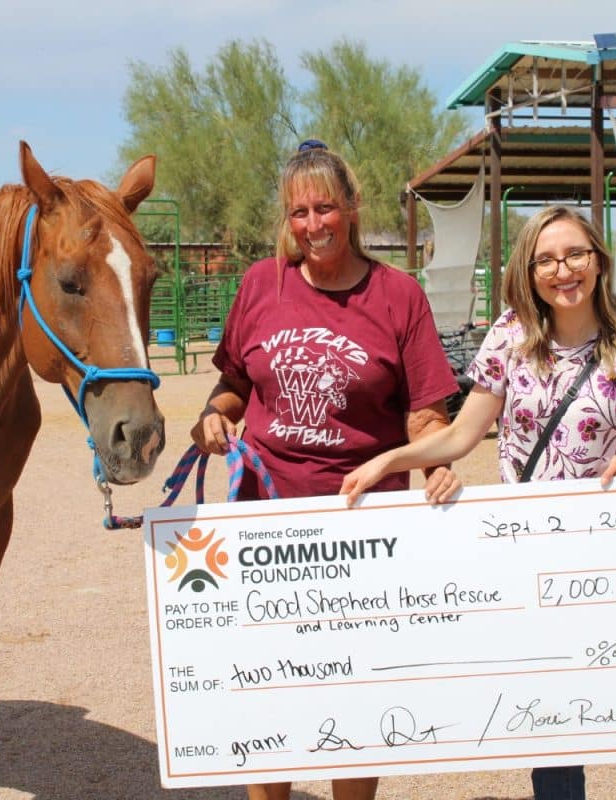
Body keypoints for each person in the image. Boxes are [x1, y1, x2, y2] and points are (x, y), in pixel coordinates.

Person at [340, 205, 616, 800]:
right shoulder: (509, 339)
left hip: (610, 556)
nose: (563, 270)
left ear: (598, 261)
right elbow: (459, 435)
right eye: (546, 260)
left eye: (575, 254)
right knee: (551, 731)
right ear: (529, 274)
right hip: (530, 561)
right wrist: (388, 460)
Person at [190, 139, 462, 800]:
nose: (314, 224)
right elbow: (231, 383)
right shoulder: (261, 284)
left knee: (353, 689)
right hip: (264, 523)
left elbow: (428, 411)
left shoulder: (398, 295)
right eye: (300, 212)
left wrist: (435, 468)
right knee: (265, 684)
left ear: (352, 206)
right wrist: (212, 418)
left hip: (361, 525)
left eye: (325, 207)